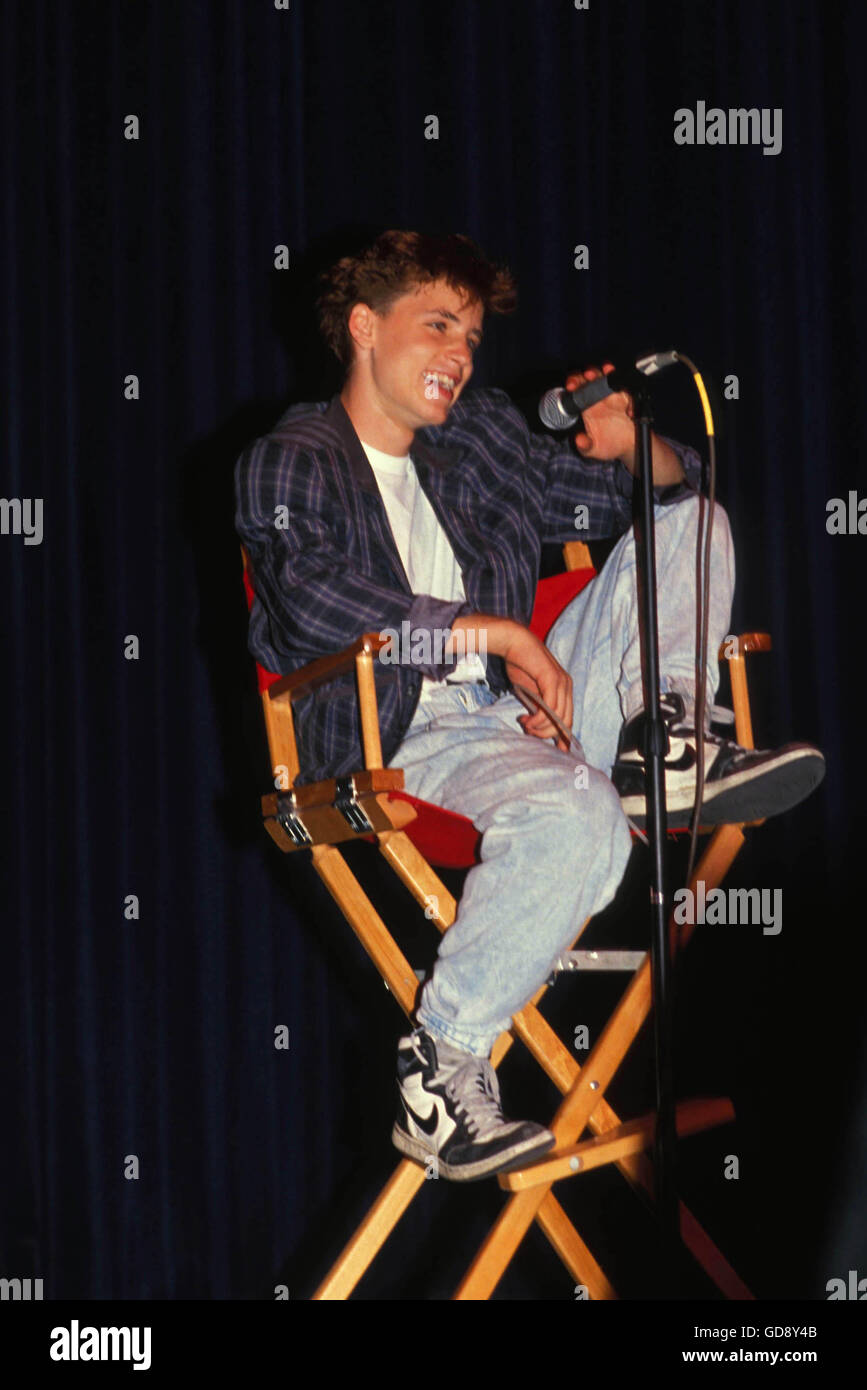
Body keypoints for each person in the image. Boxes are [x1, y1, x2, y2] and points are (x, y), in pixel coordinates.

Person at [234, 230, 824, 1183]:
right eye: (437, 327)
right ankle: (441, 1066)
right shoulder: (290, 459)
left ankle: (663, 743)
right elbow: (313, 604)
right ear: (361, 328)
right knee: (577, 820)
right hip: (397, 735)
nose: (462, 355)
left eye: (470, 334)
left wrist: (646, 453)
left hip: (521, 716)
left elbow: (657, 500)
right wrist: (493, 635)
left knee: (692, 520)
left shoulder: (483, 438)